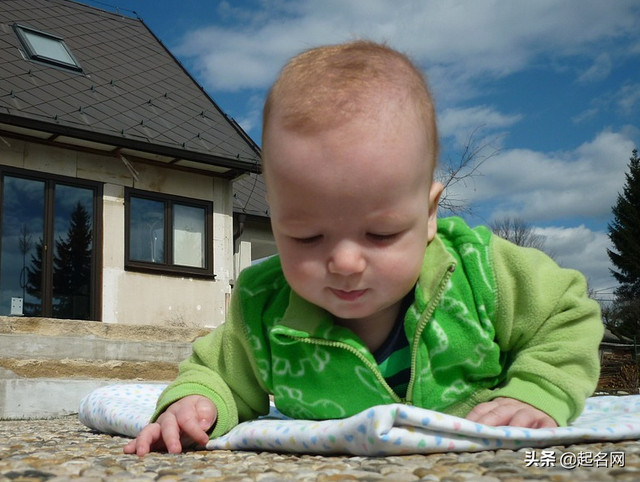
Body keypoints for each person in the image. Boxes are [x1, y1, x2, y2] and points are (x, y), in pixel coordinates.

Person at [124, 40, 603, 456]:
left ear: (430, 213)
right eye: (307, 236)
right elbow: (219, 375)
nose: (345, 263)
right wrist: (196, 403)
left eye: (381, 234)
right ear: (276, 218)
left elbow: (564, 315)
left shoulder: (480, 270)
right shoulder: (263, 305)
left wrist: (538, 390)